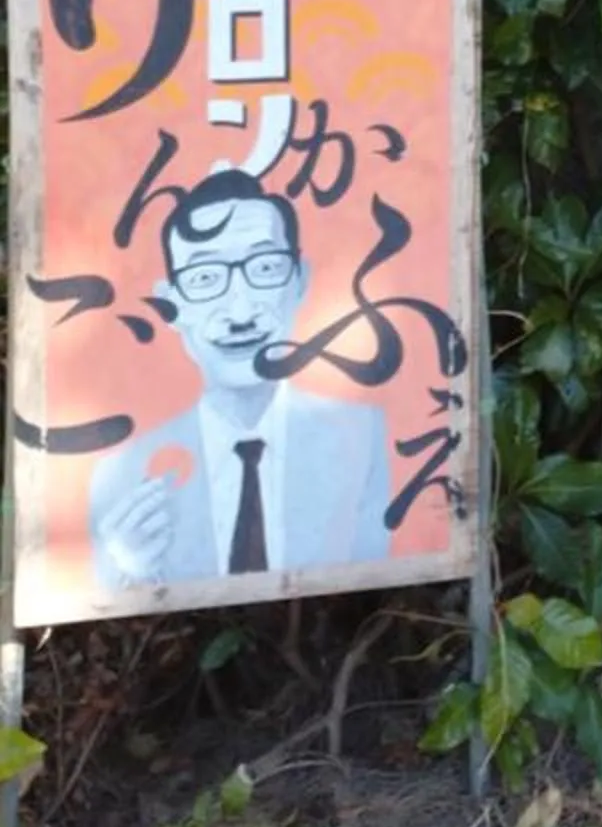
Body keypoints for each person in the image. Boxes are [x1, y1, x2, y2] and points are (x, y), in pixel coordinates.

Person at [86, 176, 395, 595]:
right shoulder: (122, 474)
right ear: (170, 303)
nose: (240, 312)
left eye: (265, 268)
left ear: (300, 280)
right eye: (204, 277)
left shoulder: (360, 436)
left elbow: (377, 577)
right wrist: (129, 571)